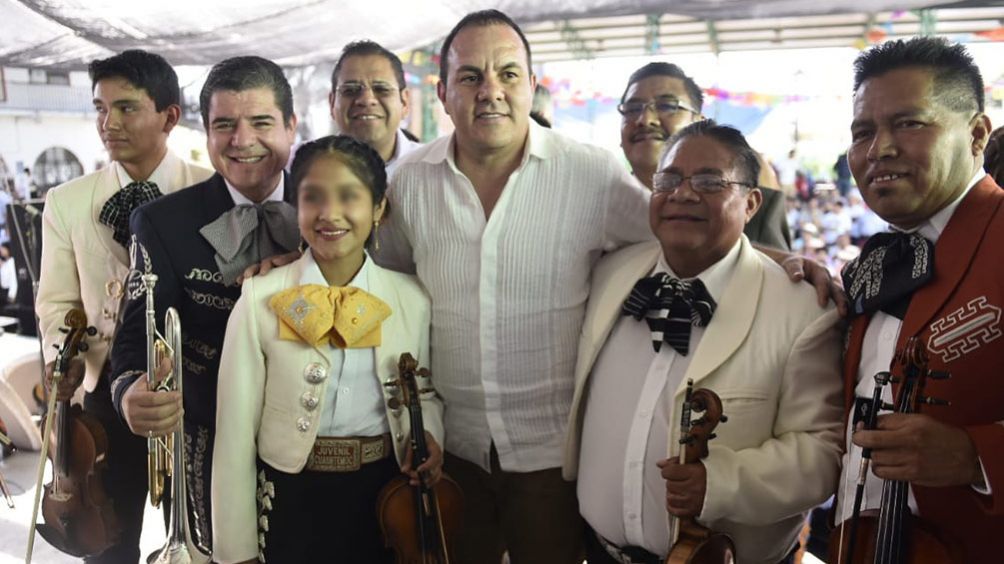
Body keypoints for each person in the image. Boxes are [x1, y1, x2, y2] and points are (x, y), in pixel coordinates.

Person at [375, 10, 840, 564]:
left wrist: (782, 259)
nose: (490, 92)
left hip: (553, 460)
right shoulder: (408, 183)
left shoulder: (590, 174)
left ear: (533, 86)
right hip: (452, 452)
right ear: (443, 92)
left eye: (508, 75)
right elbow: (387, 283)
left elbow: (681, 227)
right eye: (471, 76)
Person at [564, 121, 843, 564]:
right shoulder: (610, 273)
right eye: (669, 179)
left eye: (711, 182)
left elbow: (824, 452)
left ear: (752, 202)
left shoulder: (802, 309)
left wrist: (721, 482)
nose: (683, 194)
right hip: (599, 553)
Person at [212, 135, 444, 564]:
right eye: (312, 197)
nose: (328, 213)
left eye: (349, 196)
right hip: (291, 498)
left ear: (379, 209)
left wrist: (430, 432)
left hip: (384, 497)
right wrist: (235, 550)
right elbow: (234, 434)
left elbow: (425, 395)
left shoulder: (411, 299)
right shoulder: (260, 298)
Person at [109, 55, 300, 555]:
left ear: (291, 126)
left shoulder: (333, 202)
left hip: (318, 442)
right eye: (224, 125)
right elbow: (132, 341)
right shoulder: (161, 222)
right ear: (207, 133)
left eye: (261, 122)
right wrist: (130, 392)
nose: (242, 139)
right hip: (210, 448)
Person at [33, 49, 212, 563]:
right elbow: (57, 303)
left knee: (205, 532)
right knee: (108, 544)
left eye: (127, 108)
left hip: (193, 396)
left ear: (169, 117)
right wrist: (57, 357)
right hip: (102, 398)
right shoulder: (66, 201)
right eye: (99, 108)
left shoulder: (209, 189)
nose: (107, 123)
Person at [835, 37, 1003, 563]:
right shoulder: (876, 258)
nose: (879, 148)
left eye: (909, 123)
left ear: (976, 134)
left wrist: (977, 457)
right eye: (864, 131)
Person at [618, 62, 791, 250]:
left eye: (667, 106)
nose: (645, 120)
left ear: (699, 122)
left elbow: (778, 267)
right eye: (633, 108)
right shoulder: (607, 198)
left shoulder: (747, 175)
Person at [329, 40, 419, 175]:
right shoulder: (304, 168)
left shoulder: (434, 169)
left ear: (405, 102)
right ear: (332, 103)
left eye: (381, 89)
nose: (366, 100)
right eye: (350, 90)